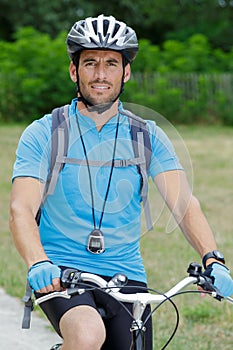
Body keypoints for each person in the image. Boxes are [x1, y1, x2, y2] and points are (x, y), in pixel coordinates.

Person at [9, 14, 233, 350]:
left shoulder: (146, 136)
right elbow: (20, 208)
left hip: (126, 275)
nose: (100, 74)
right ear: (74, 71)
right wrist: (38, 261)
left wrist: (212, 258)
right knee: (87, 336)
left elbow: (184, 205)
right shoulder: (45, 133)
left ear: (125, 72)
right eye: (90, 63)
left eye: (111, 63)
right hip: (62, 271)